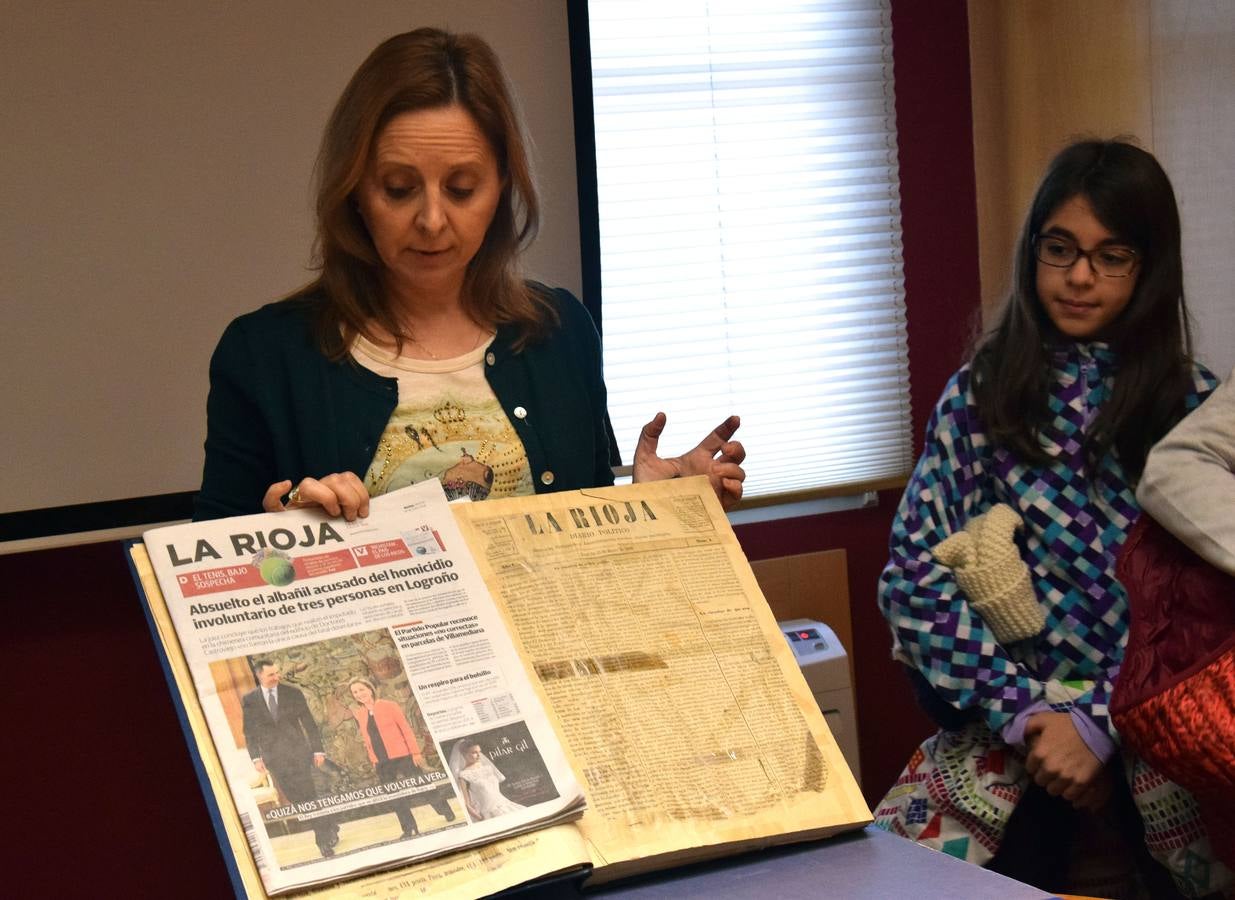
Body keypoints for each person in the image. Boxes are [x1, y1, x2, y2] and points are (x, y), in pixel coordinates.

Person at [193, 27, 744, 523]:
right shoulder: (264, 355)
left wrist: (647, 506)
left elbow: (589, 540)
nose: (432, 221)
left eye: (461, 189)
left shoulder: (560, 331)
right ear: (355, 189)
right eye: (399, 188)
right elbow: (211, 587)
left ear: (502, 188)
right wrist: (279, 531)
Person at [872, 140, 1231, 898]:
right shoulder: (980, 395)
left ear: (1148, 267)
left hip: (1156, 732)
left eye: (1110, 256)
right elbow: (911, 577)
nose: (1077, 277)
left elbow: (1208, 614)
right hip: (1002, 725)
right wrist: (1027, 715)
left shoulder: (1193, 409)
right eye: (1059, 249)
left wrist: (1099, 720)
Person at [241, 660, 339, 858]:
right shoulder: (250, 699)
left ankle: (322, 842)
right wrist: (256, 758)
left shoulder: (292, 693)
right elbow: (249, 732)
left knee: (309, 796)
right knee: (296, 799)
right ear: (259, 675)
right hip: (274, 758)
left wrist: (318, 751)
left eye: (277, 673)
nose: (276, 677)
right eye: (271, 675)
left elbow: (309, 723)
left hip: (298, 753)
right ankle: (329, 823)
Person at [347, 677, 454, 839]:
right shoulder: (360, 714)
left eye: (361, 689)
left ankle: (445, 810)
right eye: (355, 692)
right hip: (382, 762)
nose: (359, 694)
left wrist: (415, 752)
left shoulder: (389, 706)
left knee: (422, 785)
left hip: (403, 755)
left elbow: (406, 729)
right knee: (394, 796)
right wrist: (374, 759)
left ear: (370, 689)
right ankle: (409, 828)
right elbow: (367, 738)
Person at [449, 740, 524, 822]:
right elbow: (467, 804)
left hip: (505, 805)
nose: (479, 755)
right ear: (464, 754)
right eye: (474, 752)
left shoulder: (488, 768)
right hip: (488, 813)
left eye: (479, 752)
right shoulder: (463, 775)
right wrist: (479, 818)